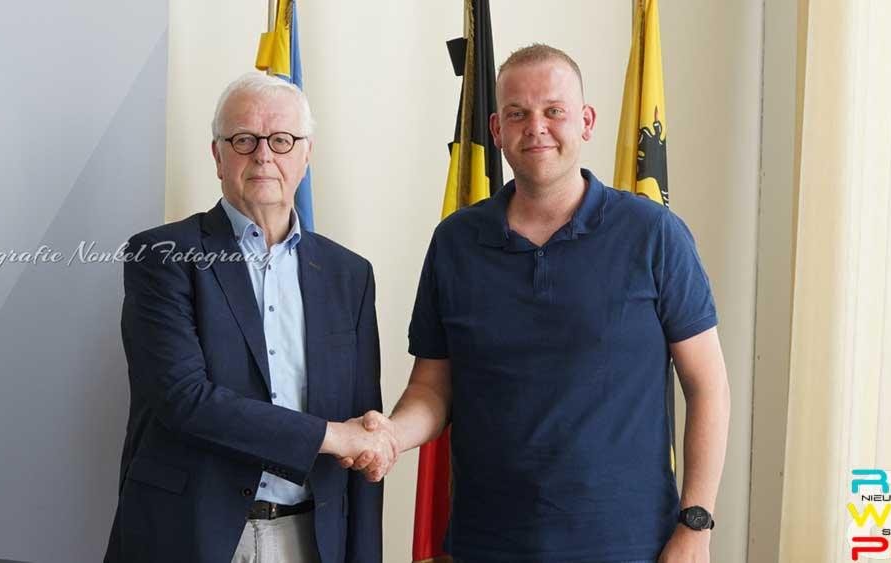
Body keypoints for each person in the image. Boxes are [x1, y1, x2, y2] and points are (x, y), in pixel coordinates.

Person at [345, 44, 731, 562]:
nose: (537, 126)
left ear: (587, 121)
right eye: (518, 113)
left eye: (554, 110)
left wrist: (696, 526)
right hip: (488, 543)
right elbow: (433, 388)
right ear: (497, 129)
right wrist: (392, 434)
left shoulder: (653, 234)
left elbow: (708, 387)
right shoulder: (455, 243)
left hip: (630, 544)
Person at [104, 73, 395, 563]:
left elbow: (362, 414)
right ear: (218, 156)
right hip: (190, 534)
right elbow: (183, 399)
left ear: (307, 155)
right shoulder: (162, 255)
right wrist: (331, 436)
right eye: (244, 140)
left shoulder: (350, 274)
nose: (264, 155)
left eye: (282, 140)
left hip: (311, 537)